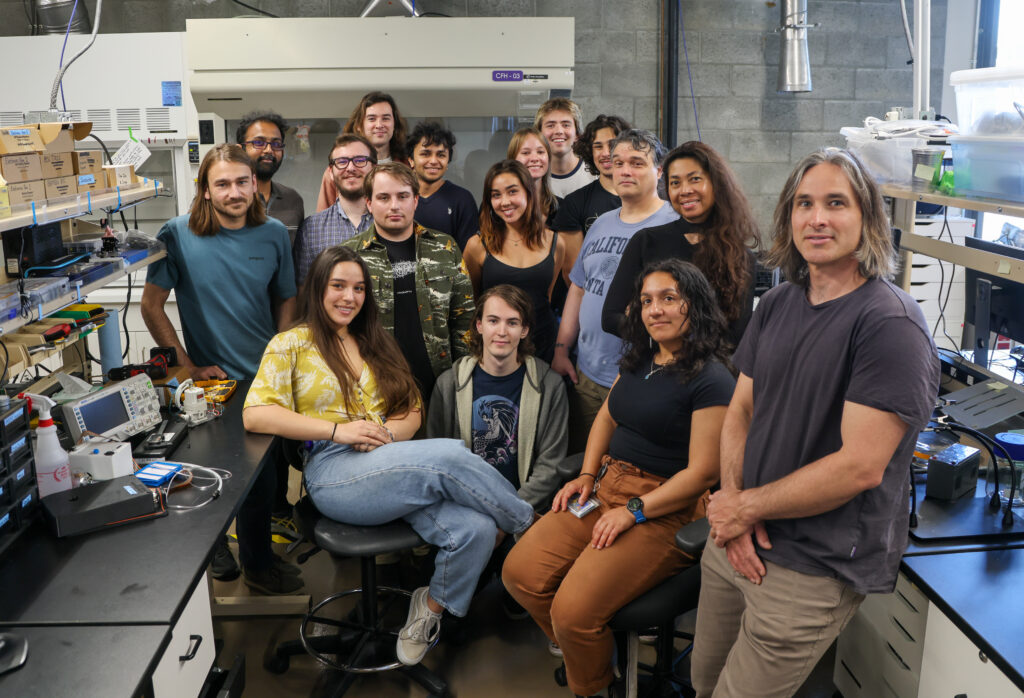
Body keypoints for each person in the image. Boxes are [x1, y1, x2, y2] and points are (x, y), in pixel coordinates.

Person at [691, 149, 940, 697]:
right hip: (736, 539)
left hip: (810, 566)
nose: (817, 218)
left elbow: (859, 468)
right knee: (703, 683)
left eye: (836, 203)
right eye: (804, 203)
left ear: (868, 220)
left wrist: (744, 508)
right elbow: (741, 409)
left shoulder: (889, 323)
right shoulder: (778, 303)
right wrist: (733, 503)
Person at [243, 245, 535, 667]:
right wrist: (340, 431)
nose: (349, 297)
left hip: (391, 460)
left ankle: (428, 610)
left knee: (475, 527)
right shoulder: (291, 344)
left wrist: (380, 436)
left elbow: (412, 411)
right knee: (450, 456)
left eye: (358, 288)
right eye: (338, 286)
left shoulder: (375, 342)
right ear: (318, 290)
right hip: (334, 471)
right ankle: (529, 527)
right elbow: (256, 414)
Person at [503, 259, 734, 698]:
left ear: (695, 305)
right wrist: (588, 474)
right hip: (607, 487)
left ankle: (594, 687)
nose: (655, 310)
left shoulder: (711, 378)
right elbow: (607, 416)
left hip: (664, 509)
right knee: (521, 573)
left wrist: (634, 512)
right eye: (647, 301)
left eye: (669, 298)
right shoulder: (640, 359)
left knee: (573, 612)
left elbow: (705, 472)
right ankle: (591, 655)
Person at [141, 144, 301, 594]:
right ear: (206, 191)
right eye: (223, 184)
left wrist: (282, 354)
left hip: (262, 377)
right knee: (210, 472)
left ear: (255, 184)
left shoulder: (271, 234)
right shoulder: (178, 233)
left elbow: (286, 297)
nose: (234, 192)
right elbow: (152, 306)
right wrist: (186, 366)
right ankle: (215, 551)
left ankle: (258, 563)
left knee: (263, 479)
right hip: (212, 383)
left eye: (242, 182)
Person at [550, 129, 677, 454]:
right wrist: (562, 350)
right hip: (588, 376)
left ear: (658, 170)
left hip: (641, 378)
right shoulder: (602, 223)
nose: (625, 170)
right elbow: (578, 289)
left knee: (627, 471)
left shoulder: (672, 225)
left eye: (637, 162)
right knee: (583, 468)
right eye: (618, 162)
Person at [427, 284, 569, 513]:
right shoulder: (449, 384)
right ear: (479, 325)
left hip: (524, 510)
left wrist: (508, 514)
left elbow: (550, 466)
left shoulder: (550, 386)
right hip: (465, 510)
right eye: (493, 321)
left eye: (512, 322)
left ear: (524, 330)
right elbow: (436, 460)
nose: (502, 331)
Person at [602, 141, 758, 348]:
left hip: (710, 373)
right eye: (675, 183)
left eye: (695, 179)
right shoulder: (646, 241)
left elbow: (735, 336)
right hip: (654, 367)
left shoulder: (740, 257)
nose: (684, 190)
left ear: (716, 184)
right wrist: (662, 341)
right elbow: (611, 317)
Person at [343, 162, 474, 403]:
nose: (394, 206)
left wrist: (463, 379)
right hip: (373, 388)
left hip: (441, 386)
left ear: (415, 201)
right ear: (369, 204)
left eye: (403, 196)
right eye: (383, 197)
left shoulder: (444, 247)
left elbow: (463, 319)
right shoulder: (348, 256)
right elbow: (339, 328)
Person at [463, 161, 572, 363]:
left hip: (544, 346)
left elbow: (545, 297)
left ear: (529, 194)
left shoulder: (556, 243)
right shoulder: (477, 245)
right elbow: (474, 303)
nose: (504, 202)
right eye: (496, 195)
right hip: (497, 350)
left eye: (512, 192)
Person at [294, 134, 376, 286]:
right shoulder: (311, 229)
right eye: (342, 162)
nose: (350, 168)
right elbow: (304, 291)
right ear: (331, 172)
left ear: (374, 168)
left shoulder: (391, 223)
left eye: (359, 160)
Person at [551, 114, 631, 265]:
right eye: (598, 146)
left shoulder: (644, 199)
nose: (606, 153)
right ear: (590, 151)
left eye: (612, 144)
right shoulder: (575, 203)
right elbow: (572, 270)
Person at [316, 92, 408, 211]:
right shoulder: (338, 171)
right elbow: (323, 220)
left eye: (385, 118)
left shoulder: (408, 167)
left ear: (394, 124)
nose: (379, 125)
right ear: (359, 125)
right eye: (372, 119)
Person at [405, 121, 478, 251]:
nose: (433, 161)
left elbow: (469, 255)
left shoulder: (462, 200)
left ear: (448, 160)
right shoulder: (399, 199)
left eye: (441, 155)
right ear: (411, 160)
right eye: (425, 154)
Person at [237, 111, 305, 245]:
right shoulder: (227, 197)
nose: (269, 150)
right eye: (258, 142)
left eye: (276, 144)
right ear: (240, 149)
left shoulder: (293, 199)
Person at [535, 97, 596, 198]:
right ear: (539, 134)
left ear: (577, 134)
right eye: (550, 125)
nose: (559, 131)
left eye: (566, 125)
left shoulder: (594, 173)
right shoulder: (533, 177)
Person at [507, 127, 559, 223]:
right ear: (512, 160)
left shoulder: (563, 208)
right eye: (526, 153)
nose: (535, 158)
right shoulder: (498, 207)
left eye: (540, 152)